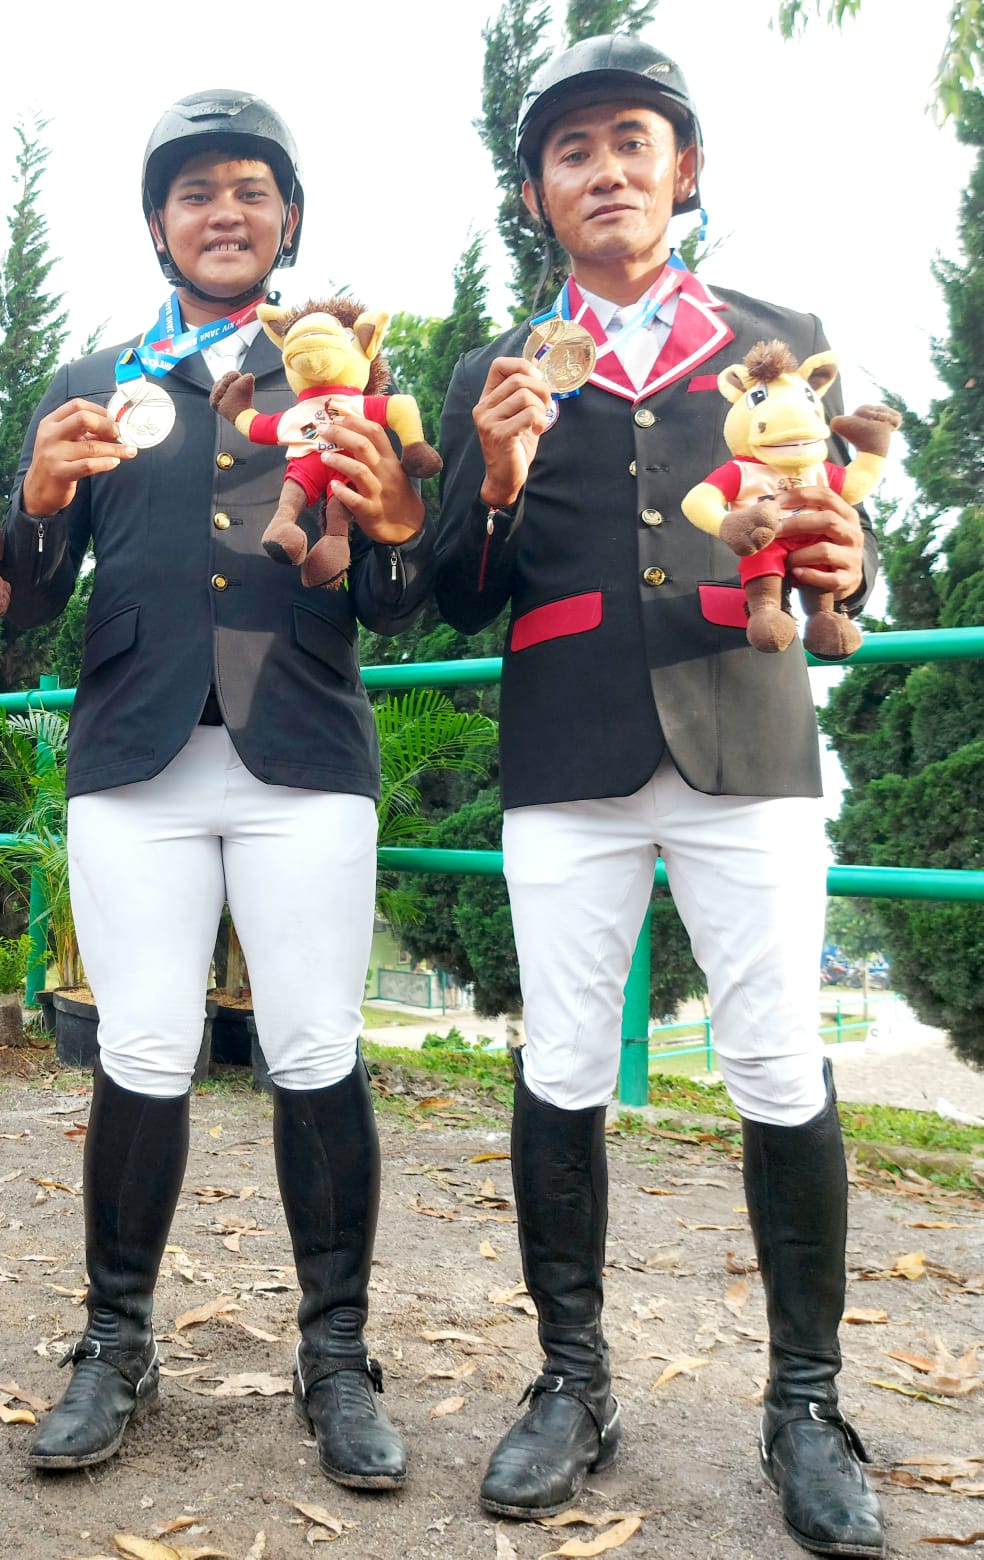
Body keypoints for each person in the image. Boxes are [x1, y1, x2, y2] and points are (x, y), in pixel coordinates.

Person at [433, 36, 886, 1560]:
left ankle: (806, 1404)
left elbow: (833, 529)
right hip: (565, 749)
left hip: (746, 735)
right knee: (562, 1060)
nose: (607, 171)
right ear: (537, 194)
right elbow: (446, 592)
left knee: (773, 1058)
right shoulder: (493, 368)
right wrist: (489, 484)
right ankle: (573, 1383)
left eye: (633, 142)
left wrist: (851, 571)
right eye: (573, 152)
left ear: (682, 169)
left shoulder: (785, 338)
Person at [0, 89, 433, 1491]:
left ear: (287, 217)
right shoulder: (92, 375)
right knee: (138, 1049)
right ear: (156, 226)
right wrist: (35, 503)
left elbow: (403, 599)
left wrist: (377, 534)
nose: (225, 212)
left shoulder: (345, 369)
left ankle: (337, 1356)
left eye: (251, 188)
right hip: (133, 758)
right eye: (195, 193)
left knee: (313, 1047)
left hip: (302, 751)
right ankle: (114, 1345)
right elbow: (23, 603)